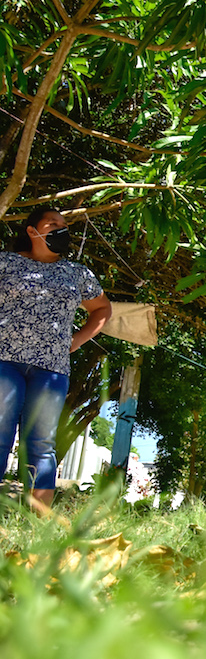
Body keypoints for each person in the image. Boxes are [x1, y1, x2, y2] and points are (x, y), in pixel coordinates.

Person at [0, 206, 111, 508]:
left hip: (51, 368)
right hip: (3, 360)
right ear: (32, 231)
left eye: (64, 224)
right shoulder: (5, 262)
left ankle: (39, 524)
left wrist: (77, 340)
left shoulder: (77, 273)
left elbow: (102, 309)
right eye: (52, 223)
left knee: (41, 443)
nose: (61, 229)